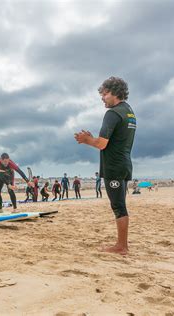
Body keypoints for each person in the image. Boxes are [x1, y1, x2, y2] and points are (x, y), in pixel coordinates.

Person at [75, 76, 136, 255]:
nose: (102, 97)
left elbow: (102, 143)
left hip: (114, 167)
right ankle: (122, 244)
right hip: (125, 164)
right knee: (120, 204)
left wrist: (86, 140)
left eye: (105, 93)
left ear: (115, 93)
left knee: (118, 206)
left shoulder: (112, 113)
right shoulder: (129, 111)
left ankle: (121, 246)